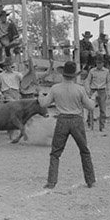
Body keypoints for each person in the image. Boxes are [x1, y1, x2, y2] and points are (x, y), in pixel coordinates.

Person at [43, 60, 96, 189]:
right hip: (76, 120)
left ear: (63, 74)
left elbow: (44, 104)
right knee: (84, 151)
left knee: (55, 153)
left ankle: (51, 182)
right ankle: (90, 181)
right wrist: (93, 97)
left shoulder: (55, 88)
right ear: (74, 75)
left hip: (62, 120)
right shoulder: (80, 89)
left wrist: (40, 96)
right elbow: (90, 107)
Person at [84, 55, 110, 133]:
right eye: (98, 63)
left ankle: (102, 126)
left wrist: (109, 92)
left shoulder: (106, 71)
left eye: (100, 63)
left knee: (103, 109)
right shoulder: (92, 71)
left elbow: (109, 82)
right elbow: (88, 81)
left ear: (103, 63)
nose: (99, 65)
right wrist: (88, 91)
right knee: (90, 108)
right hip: (93, 90)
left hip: (102, 90)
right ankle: (90, 125)